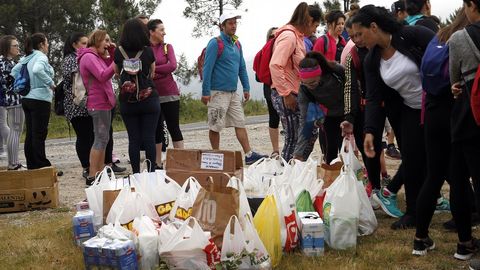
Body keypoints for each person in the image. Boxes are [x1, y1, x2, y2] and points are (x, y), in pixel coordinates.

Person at [351, 5, 435, 229]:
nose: (357, 40)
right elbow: (373, 98)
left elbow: (443, 56)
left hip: (437, 105)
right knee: (413, 159)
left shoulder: (413, 36)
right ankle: (413, 213)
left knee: (445, 159)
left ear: (374, 27)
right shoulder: (372, 60)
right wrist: (369, 131)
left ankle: (469, 210)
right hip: (409, 110)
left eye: (360, 34)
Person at [412, 7, 469, 256]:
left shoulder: (440, 35)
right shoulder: (468, 37)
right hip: (455, 111)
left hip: (432, 112)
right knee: (458, 179)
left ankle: (420, 239)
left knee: (433, 176)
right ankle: (464, 244)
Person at [201, 11, 267, 165]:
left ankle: (249, 154)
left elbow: (242, 67)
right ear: (222, 26)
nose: (234, 26)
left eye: (235, 23)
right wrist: (205, 92)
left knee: (240, 122)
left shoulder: (236, 43)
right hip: (217, 92)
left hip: (232, 92)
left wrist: (246, 87)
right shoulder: (214, 43)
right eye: (230, 23)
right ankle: (216, 157)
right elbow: (207, 68)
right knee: (215, 125)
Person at [447, 0, 480, 264]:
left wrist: (457, 86)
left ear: (471, 5)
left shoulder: (459, 37)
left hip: (469, 116)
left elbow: (454, 78)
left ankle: (464, 243)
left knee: (459, 179)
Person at [269, 2, 321, 161]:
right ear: (308, 21)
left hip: (298, 93)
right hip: (286, 94)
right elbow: (275, 65)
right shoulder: (289, 36)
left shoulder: (298, 37)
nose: (314, 31)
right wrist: (286, 95)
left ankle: (296, 169)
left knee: (309, 133)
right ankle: (286, 177)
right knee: (293, 138)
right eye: (315, 26)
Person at [114, 19, 160, 173]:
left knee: (133, 139)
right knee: (149, 138)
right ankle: (151, 172)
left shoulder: (118, 52)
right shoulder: (148, 51)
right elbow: (152, 72)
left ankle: (136, 174)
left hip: (128, 102)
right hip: (149, 100)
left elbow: (115, 73)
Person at [11, 33, 54, 170]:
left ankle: (32, 164)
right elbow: (37, 70)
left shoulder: (27, 57)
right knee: (39, 133)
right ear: (41, 44)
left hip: (26, 98)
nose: (48, 45)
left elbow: (14, 71)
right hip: (40, 98)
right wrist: (50, 83)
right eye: (47, 43)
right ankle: (42, 164)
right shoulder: (41, 56)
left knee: (30, 133)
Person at [78, 30, 116, 184]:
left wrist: (112, 52)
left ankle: (99, 173)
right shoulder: (89, 57)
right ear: (97, 40)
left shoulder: (96, 57)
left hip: (103, 102)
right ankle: (93, 175)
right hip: (98, 103)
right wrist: (117, 61)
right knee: (100, 139)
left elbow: (108, 69)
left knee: (103, 138)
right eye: (106, 41)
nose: (108, 44)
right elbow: (103, 75)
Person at [294, 52, 345, 164]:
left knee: (347, 148)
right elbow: (305, 121)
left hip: (348, 112)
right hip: (329, 116)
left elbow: (353, 87)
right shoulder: (304, 89)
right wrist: (298, 153)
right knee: (331, 149)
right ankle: (333, 177)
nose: (310, 86)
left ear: (320, 74)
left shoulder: (336, 71)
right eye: (305, 83)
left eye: (312, 82)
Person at [148, 19, 184, 168]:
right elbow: (145, 69)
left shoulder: (168, 47)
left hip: (170, 93)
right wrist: (162, 69)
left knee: (173, 127)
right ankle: (157, 163)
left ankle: (182, 162)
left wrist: (154, 69)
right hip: (152, 95)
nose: (164, 33)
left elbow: (173, 65)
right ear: (151, 32)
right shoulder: (145, 49)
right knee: (156, 130)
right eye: (161, 30)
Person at [0, 35, 24, 170]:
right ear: (7, 48)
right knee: (15, 130)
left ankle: (14, 162)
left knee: (16, 131)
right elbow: (8, 84)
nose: (18, 47)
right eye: (15, 45)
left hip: (15, 99)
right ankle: (13, 163)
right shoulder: (4, 63)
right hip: (14, 100)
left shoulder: (11, 62)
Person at [263, 27, 281, 157]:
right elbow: (259, 75)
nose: (275, 38)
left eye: (278, 35)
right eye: (272, 36)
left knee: (288, 120)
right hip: (270, 88)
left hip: (282, 87)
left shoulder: (284, 49)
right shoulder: (265, 52)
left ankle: (288, 148)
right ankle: (276, 150)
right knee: (274, 119)